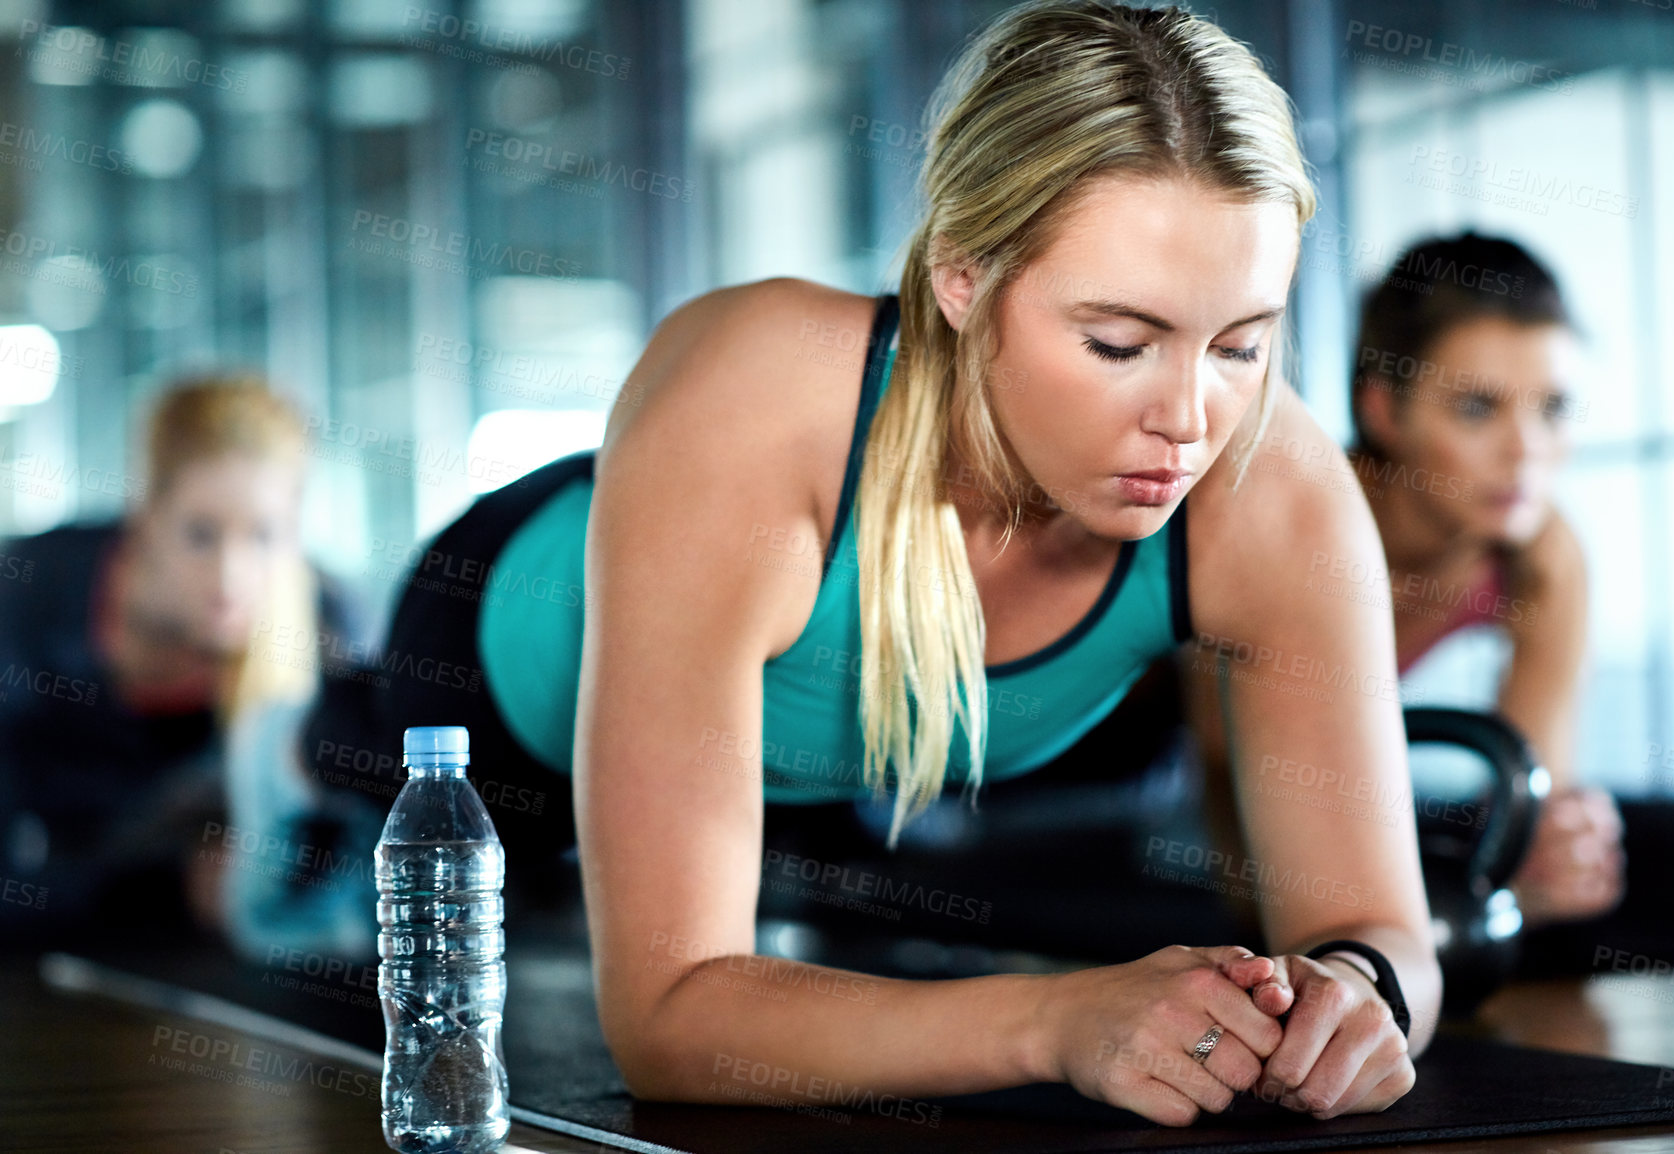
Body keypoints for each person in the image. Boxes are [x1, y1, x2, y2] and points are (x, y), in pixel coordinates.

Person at [289, 0, 1439, 1123]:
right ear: (961, 276)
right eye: (1117, 342)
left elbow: (1385, 932)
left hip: (837, 768)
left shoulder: (1271, 485)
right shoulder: (752, 388)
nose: (1191, 418)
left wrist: (1355, 992)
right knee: (347, 810)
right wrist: (1055, 1021)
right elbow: (668, 1018)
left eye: (1241, 343)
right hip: (494, 687)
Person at [1183, 232, 1625, 931]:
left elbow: (1531, 800)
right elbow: (1240, 831)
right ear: (1384, 410)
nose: (1527, 452)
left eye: (1554, 408)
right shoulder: (1286, 522)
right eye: (1478, 408)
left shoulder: (1544, 555)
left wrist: (1551, 859)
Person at [0, 373, 361, 946]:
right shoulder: (24, 599)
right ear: (144, 517)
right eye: (200, 534)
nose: (230, 577)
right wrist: (165, 887)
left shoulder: (327, 633)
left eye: (264, 536)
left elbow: (356, 873)